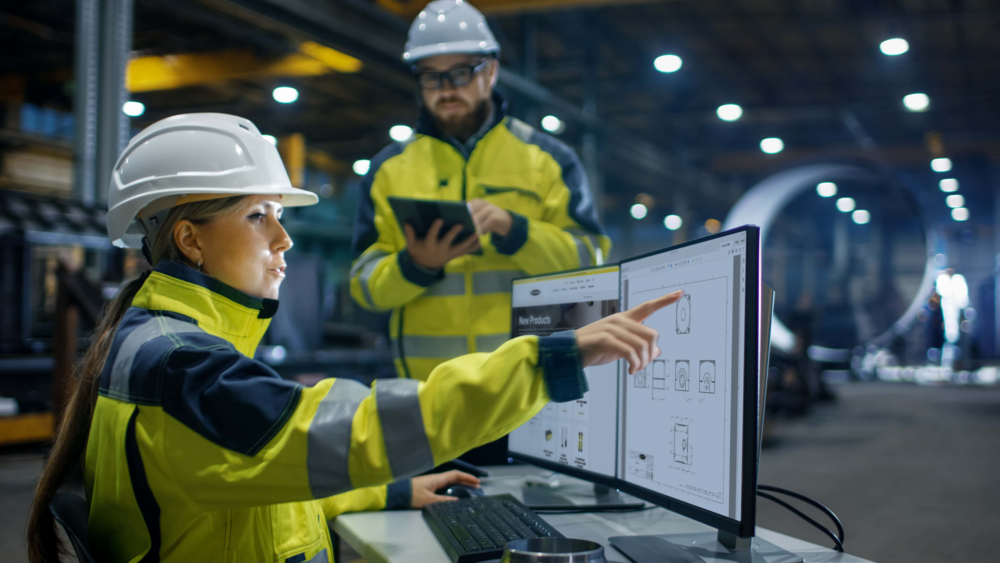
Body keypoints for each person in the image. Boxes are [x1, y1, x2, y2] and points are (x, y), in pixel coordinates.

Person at [26, 113, 681, 563]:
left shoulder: (157, 340)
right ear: (189, 239)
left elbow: (258, 480)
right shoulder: (184, 368)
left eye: (278, 216)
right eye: (258, 216)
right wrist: (553, 357)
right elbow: (356, 428)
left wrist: (389, 491)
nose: (283, 239)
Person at [351, 0, 611, 381]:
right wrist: (415, 264)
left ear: (490, 71)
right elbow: (363, 286)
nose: (445, 89)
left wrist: (516, 230)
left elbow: (593, 262)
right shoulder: (388, 170)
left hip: (525, 386)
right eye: (429, 76)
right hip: (431, 395)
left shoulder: (548, 159)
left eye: (460, 73)